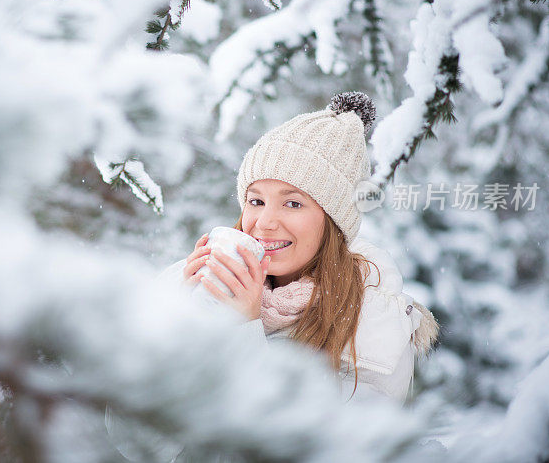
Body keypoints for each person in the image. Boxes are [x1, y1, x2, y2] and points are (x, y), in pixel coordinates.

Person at [166, 91, 439, 403]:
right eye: (256, 200)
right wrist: (177, 318)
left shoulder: (372, 327)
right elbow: (135, 441)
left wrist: (243, 329)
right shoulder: (190, 282)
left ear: (333, 223)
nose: (264, 222)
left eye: (292, 203)